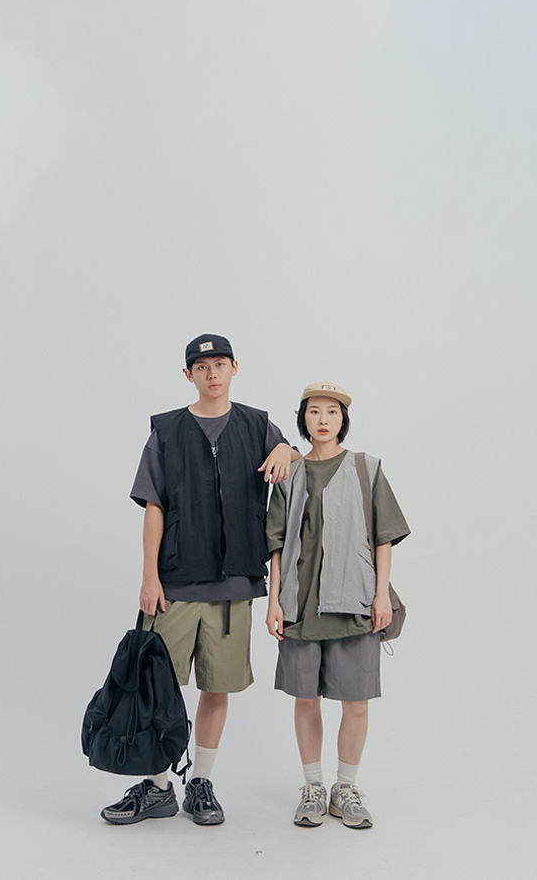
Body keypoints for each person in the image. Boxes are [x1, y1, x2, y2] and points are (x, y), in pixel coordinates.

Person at [100, 333, 299, 827]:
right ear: (188, 375)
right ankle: (158, 787)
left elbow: (299, 459)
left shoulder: (257, 425)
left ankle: (200, 784)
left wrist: (287, 448)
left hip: (234, 586)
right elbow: (153, 505)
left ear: (235, 368)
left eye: (221, 364)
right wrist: (149, 576)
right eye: (202, 366)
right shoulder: (167, 431)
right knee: (156, 686)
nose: (213, 373)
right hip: (174, 584)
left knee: (217, 688)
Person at [265, 381, 410, 829]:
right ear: (303, 419)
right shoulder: (288, 474)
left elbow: (384, 536)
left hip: (355, 603)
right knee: (306, 699)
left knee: (357, 703)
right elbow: (276, 544)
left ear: (343, 419)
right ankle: (313, 787)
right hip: (299, 605)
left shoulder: (366, 467)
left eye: (332, 411)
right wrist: (273, 601)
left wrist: (381, 594)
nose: (323, 419)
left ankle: (345, 789)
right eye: (314, 411)